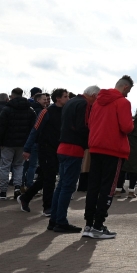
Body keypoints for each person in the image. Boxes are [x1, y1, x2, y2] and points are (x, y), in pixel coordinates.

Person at [83, 76, 135, 240]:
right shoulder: (123, 102)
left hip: (96, 147)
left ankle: (89, 224)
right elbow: (127, 127)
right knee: (108, 188)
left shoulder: (98, 101)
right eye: (129, 90)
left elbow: (90, 123)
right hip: (113, 148)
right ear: (126, 87)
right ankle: (98, 225)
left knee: (93, 186)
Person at [48, 85, 99, 233]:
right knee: (67, 187)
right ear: (94, 96)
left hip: (63, 146)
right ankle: (61, 221)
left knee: (61, 186)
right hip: (73, 148)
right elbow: (82, 126)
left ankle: (54, 219)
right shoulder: (84, 104)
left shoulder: (71, 102)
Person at [19, 88, 69, 215]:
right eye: (66, 96)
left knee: (45, 177)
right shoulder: (46, 112)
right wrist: (27, 149)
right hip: (45, 149)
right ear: (58, 98)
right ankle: (48, 207)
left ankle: (25, 198)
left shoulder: (66, 111)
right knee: (49, 178)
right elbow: (35, 130)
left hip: (58, 149)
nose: (68, 99)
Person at [0, 87, 36, 201]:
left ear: (12, 95)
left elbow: (0, 126)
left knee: (5, 166)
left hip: (7, 142)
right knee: (19, 165)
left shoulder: (7, 109)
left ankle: (3, 191)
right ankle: (17, 186)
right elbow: (33, 127)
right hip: (23, 142)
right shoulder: (30, 109)